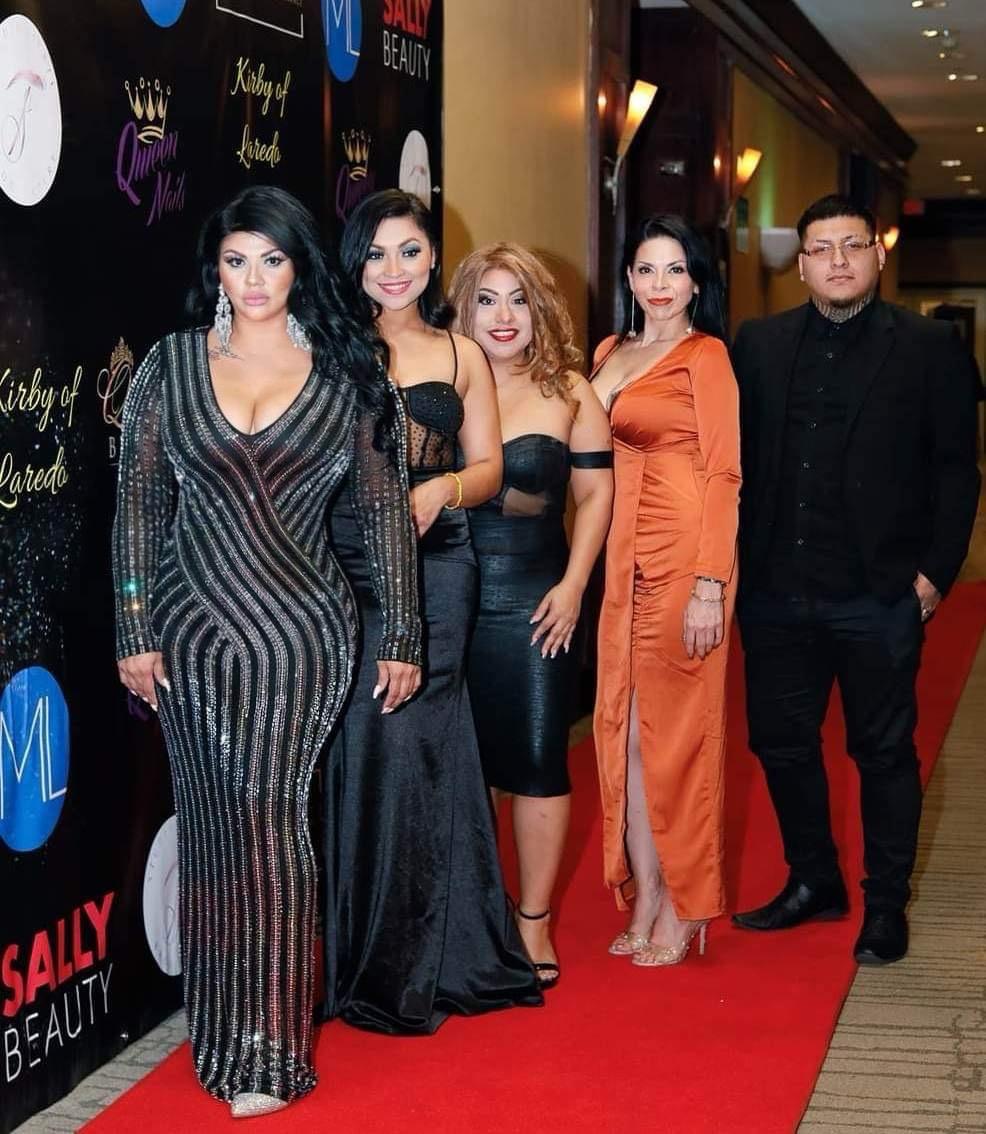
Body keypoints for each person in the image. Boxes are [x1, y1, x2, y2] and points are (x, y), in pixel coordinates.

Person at [113, 186, 421, 1117]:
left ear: (300, 268)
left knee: (272, 820)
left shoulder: (346, 369)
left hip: (301, 635)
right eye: (237, 260)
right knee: (213, 826)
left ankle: (272, 1049)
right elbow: (139, 504)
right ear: (215, 268)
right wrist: (133, 626)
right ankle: (218, 1031)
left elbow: (384, 510)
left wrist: (401, 633)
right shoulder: (171, 365)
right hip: (190, 633)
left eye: (272, 260)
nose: (253, 280)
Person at [731, 194, 981, 964]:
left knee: (884, 752)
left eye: (852, 245)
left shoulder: (930, 347)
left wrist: (933, 578)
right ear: (801, 264)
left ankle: (885, 903)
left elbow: (957, 470)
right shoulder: (758, 344)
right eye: (821, 248)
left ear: (877, 253)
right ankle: (814, 879)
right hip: (776, 592)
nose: (837, 260)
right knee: (781, 743)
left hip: (878, 594)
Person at [325, 190, 542, 1032]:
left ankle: (433, 956)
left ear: (431, 258)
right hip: (344, 563)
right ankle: (354, 951)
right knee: (360, 741)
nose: (394, 269)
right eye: (377, 253)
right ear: (355, 261)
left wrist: (442, 488)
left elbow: (489, 468)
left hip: (440, 561)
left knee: (422, 740)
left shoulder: (461, 353)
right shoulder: (329, 345)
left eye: (410, 251)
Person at [449, 243, 613, 988]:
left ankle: (534, 922)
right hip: (448, 596)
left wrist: (576, 584)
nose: (503, 316)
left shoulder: (569, 390)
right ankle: (475, 916)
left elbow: (596, 494)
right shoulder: (441, 383)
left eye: (518, 299)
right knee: (465, 763)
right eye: (487, 299)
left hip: (537, 598)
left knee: (541, 757)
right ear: (464, 308)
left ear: (540, 307)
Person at [590, 215, 740, 967]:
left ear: (697, 282)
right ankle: (648, 891)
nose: (659, 285)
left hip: (685, 561)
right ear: (629, 278)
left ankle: (687, 903)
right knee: (628, 736)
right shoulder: (608, 352)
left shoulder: (706, 355)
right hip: (622, 561)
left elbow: (725, 472)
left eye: (675, 270)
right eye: (646, 269)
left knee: (680, 737)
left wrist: (711, 583)